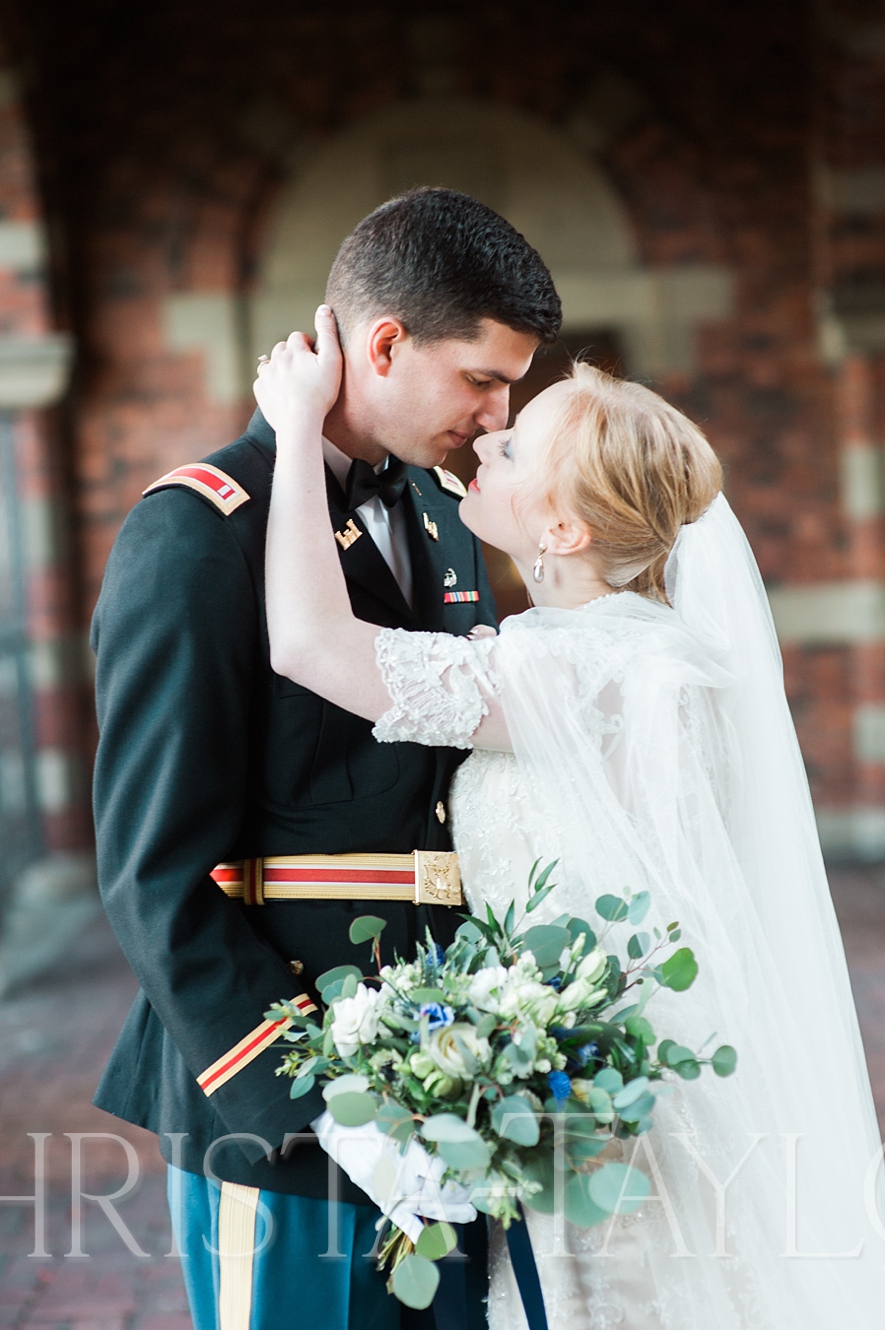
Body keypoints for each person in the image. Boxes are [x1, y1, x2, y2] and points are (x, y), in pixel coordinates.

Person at [256, 308, 885, 1329]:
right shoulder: (659, 656)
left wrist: (293, 429)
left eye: (510, 449)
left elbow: (312, 647)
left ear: (562, 530)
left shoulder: (571, 669)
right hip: (619, 1081)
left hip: (603, 1117)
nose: (481, 442)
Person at [90, 187, 561, 1330]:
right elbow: (153, 871)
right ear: (387, 343)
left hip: (459, 1078)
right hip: (292, 1100)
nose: (500, 413)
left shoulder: (454, 519)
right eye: (484, 379)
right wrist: (316, 1096)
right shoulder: (200, 530)